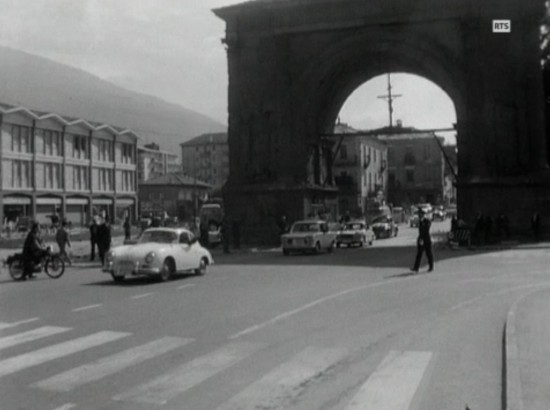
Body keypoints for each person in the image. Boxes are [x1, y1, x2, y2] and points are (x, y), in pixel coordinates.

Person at [410, 209, 434, 273]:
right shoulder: (420, 221)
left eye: (420, 214)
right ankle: (416, 267)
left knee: (428, 253)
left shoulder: (427, 221)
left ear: (423, 214)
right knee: (419, 254)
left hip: (426, 239)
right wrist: (420, 239)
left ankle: (431, 266)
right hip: (421, 239)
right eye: (419, 214)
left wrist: (422, 238)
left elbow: (426, 230)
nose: (419, 215)